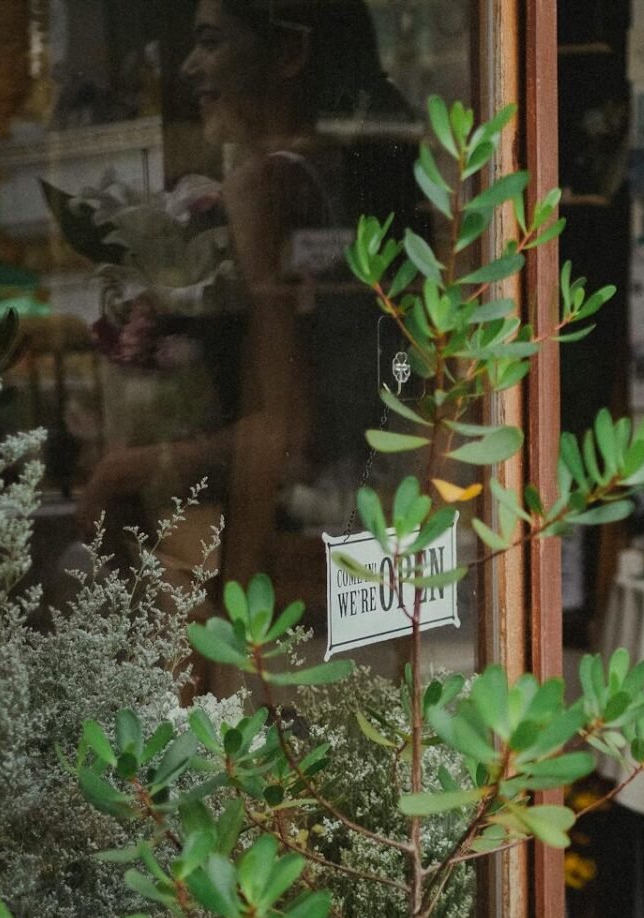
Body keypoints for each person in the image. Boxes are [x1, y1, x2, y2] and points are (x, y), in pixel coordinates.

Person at [76, 0, 416, 636]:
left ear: (289, 54)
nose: (187, 66)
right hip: (390, 510)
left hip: (310, 521)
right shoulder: (351, 172)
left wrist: (133, 469)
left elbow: (285, 433)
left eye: (209, 42)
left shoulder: (267, 187)